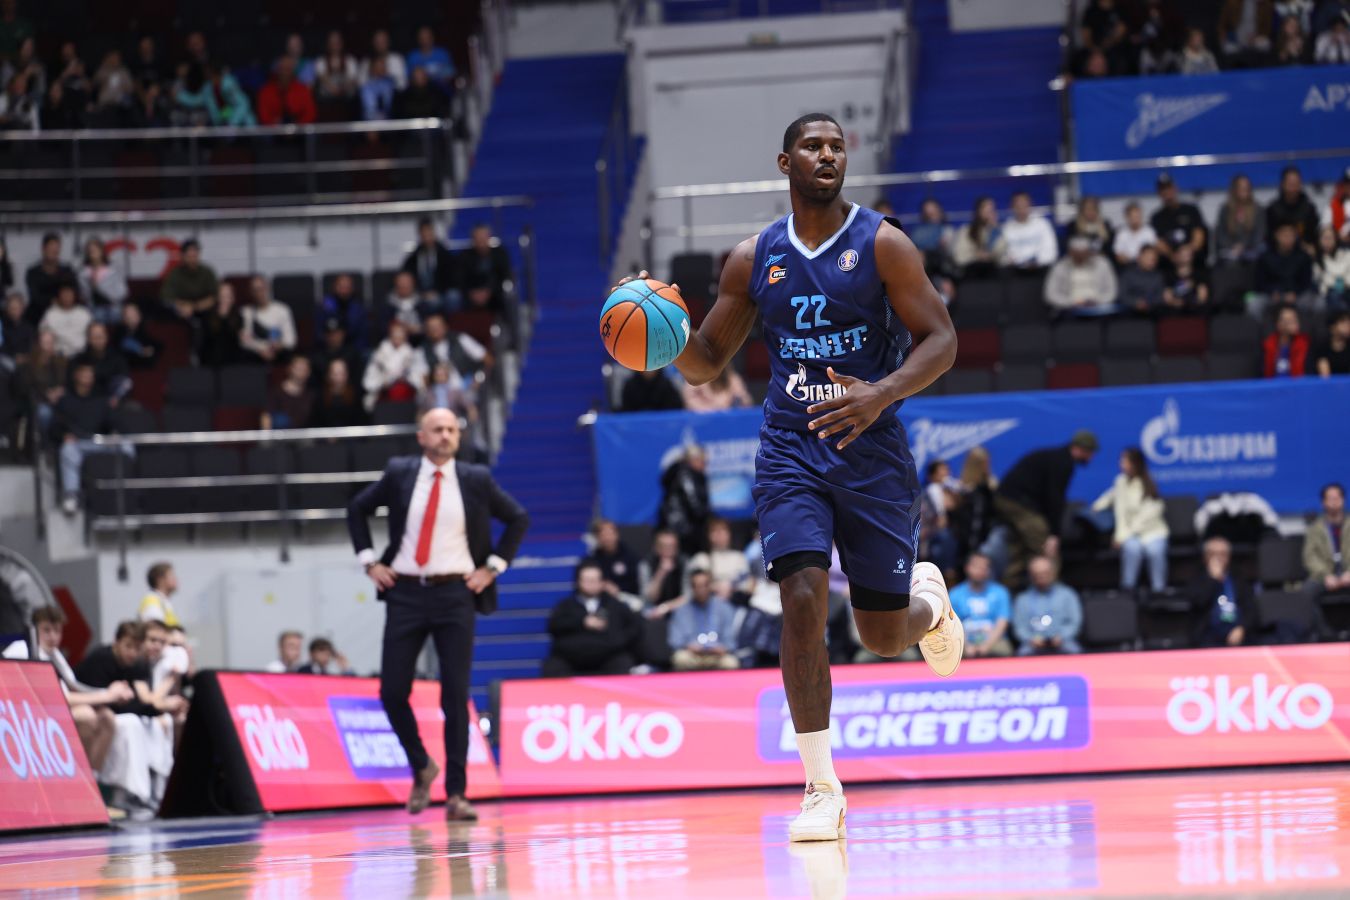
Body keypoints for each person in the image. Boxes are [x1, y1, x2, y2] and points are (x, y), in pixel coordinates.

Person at [610, 113, 961, 842]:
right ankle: (821, 788)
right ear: (785, 162)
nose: (827, 155)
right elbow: (707, 363)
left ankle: (930, 606)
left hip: (869, 449)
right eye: (813, 146)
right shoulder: (753, 259)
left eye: (837, 146)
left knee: (882, 636)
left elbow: (943, 340)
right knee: (800, 598)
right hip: (789, 451)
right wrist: (665, 329)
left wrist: (881, 392)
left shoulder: (883, 244)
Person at [347, 408, 528, 819]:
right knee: (392, 692)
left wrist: (493, 567)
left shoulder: (475, 479)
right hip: (405, 591)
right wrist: (369, 562)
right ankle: (422, 765)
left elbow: (518, 518)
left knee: (454, 695)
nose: (445, 435)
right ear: (421, 437)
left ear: (459, 437)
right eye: (437, 429)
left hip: (455, 593)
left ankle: (457, 794)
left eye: (451, 429)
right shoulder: (400, 473)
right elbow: (356, 509)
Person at [1, 606, 134, 784]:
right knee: (86, 716)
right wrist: (109, 695)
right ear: (33, 629)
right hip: (24, 717)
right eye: (46, 630)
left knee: (107, 717)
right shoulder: (20, 650)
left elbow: (73, 687)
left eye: (57, 630)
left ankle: (93, 779)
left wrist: (111, 692)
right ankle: (76, 780)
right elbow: (63, 698)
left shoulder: (55, 655)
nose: (53, 636)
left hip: (48, 711)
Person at [995, 431, 1099, 584]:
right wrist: (1054, 534)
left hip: (1011, 500)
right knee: (1046, 546)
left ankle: (1008, 586)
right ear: (1079, 449)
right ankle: (1052, 590)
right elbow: (1054, 499)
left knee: (1021, 547)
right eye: (1090, 453)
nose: (1091, 458)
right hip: (1014, 502)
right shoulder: (1063, 463)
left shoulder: (1056, 458)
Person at [541, 560, 644, 677]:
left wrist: (617, 641)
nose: (591, 584)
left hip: (607, 657)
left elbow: (634, 626)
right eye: (587, 580)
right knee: (552, 667)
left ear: (602, 582)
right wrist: (582, 622)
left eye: (595, 580)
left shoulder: (614, 605)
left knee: (623, 663)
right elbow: (553, 626)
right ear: (578, 581)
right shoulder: (566, 606)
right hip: (571, 658)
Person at [53, 362, 131, 514]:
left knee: (127, 445)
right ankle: (71, 496)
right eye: (84, 374)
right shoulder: (65, 400)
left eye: (90, 374)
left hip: (100, 441)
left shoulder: (101, 400)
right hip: (78, 443)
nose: (87, 377)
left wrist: (116, 432)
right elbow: (54, 427)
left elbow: (115, 422)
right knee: (67, 450)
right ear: (76, 376)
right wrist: (64, 435)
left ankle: (128, 489)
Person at [1092, 447, 1169, 592]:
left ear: (1135, 463)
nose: (1121, 463)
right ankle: (1128, 590)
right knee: (1132, 549)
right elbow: (1111, 496)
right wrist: (1096, 507)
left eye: (1124, 461)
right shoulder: (1120, 481)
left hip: (1153, 532)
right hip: (1130, 535)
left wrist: (1123, 535)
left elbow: (1150, 514)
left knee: (1155, 551)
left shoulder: (1149, 483)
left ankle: (1159, 591)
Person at [667, 569, 740, 671]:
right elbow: (675, 641)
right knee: (680, 659)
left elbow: (731, 640)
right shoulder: (682, 610)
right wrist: (688, 646)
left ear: (710, 586)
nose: (701, 589)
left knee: (731, 662)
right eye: (697, 586)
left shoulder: (724, 608)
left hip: (717, 656)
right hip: (692, 655)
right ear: (692, 587)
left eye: (704, 585)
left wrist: (722, 648)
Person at [1189, 537, 1254, 647]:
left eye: (1222, 554)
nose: (1218, 558)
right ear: (1205, 557)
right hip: (1207, 637)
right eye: (1213, 554)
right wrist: (1213, 579)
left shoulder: (1238, 579)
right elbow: (1198, 602)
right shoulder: (1197, 578)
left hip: (1236, 635)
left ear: (1229, 557)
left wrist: (1242, 628)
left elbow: (1251, 609)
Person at [1011, 556, 1083, 655]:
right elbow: (1019, 627)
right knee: (1023, 653)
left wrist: (1062, 636)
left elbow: (1074, 623)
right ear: (1031, 575)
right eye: (1037, 574)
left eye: (1045, 573)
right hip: (1033, 643)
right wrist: (1030, 638)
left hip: (1063, 641)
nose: (1041, 577)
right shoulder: (1022, 599)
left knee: (1074, 651)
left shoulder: (1067, 595)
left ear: (1052, 573)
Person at [949, 553, 1013, 657]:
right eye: (977, 566)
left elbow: (1002, 622)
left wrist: (986, 646)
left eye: (985, 567)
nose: (981, 570)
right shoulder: (955, 594)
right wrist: (965, 645)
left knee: (1004, 649)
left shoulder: (1000, 592)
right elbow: (952, 625)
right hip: (962, 641)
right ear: (967, 568)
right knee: (951, 652)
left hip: (995, 640)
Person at [1044, 236, 1119, 316]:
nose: (1080, 257)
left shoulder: (1103, 264)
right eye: (1076, 254)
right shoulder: (1059, 266)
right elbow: (1050, 294)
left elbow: (1112, 290)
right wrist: (1071, 302)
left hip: (1098, 305)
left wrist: (1099, 301)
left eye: (1083, 253)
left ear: (1089, 252)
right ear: (1070, 253)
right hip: (1069, 308)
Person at [657, 444, 711, 555]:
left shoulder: (690, 475)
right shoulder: (686, 476)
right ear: (692, 460)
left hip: (681, 528)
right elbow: (695, 505)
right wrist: (707, 518)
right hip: (683, 529)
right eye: (702, 461)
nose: (704, 465)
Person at [1302, 483, 1350, 606]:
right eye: (1330, 499)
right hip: (1324, 575)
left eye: (1337, 498)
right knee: (1306, 592)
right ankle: (1318, 621)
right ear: (1323, 502)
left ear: (1343, 500)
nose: (1334, 502)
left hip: (1348, 573)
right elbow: (1310, 557)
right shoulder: (1314, 528)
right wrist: (1325, 575)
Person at [1254, 223, 1315, 317]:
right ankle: (1260, 326)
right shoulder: (1265, 257)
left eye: (1291, 235)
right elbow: (1259, 282)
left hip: (1297, 295)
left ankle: (1303, 325)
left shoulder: (1303, 256)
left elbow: (1307, 282)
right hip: (1271, 295)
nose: (1288, 239)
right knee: (1254, 304)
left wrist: (1295, 292)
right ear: (1277, 235)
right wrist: (1272, 291)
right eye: (1285, 235)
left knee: (1314, 302)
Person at [1151, 173, 1208, 266]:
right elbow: (1158, 242)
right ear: (1159, 193)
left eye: (1169, 188)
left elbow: (1199, 236)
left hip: (1194, 262)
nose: (1167, 192)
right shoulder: (1156, 218)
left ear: (1175, 188)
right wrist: (1173, 256)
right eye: (1163, 189)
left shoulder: (1191, 210)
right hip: (1169, 265)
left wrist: (1188, 251)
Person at [457, 223, 514, 315]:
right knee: (455, 297)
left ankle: (506, 323)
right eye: (478, 238)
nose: (481, 241)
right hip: (471, 294)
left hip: (494, 292)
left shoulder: (500, 254)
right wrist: (471, 293)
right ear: (473, 239)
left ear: (489, 237)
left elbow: (506, 275)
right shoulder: (464, 256)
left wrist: (489, 291)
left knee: (508, 295)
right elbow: (460, 279)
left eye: (483, 237)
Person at [238, 275, 296, 365]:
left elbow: (291, 340)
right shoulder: (246, 312)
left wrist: (278, 346)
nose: (259, 293)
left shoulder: (282, 310)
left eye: (262, 289)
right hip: (255, 356)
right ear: (251, 293)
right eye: (255, 290)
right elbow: (245, 341)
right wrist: (260, 350)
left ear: (268, 288)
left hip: (279, 354)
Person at [689, 517, 752, 598]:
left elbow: (747, 583)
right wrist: (717, 588)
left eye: (723, 530)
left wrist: (730, 587)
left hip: (737, 599)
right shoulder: (701, 558)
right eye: (714, 531)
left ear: (729, 534)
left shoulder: (739, 557)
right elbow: (696, 586)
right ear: (708, 536)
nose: (719, 534)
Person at [401, 219, 458, 309]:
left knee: (453, 296)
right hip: (420, 293)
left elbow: (451, 278)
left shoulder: (444, 254)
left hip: (441, 291)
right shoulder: (414, 257)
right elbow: (407, 276)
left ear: (434, 233)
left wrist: (437, 292)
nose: (427, 237)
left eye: (429, 233)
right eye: (424, 234)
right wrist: (421, 293)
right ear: (420, 235)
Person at [363, 320, 417, 412]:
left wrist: (405, 379)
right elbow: (369, 379)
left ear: (405, 336)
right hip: (382, 395)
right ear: (390, 335)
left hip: (405, 397)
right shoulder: (380, 352)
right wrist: (382, 382)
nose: (398, 336)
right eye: (395, 333)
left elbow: (416, 378)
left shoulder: (411, 353)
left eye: (400, 334)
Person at [159, 239, 219, 323]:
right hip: (180, 311)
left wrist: (194, 307)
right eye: (189, 257)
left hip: (204, 311)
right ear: (183, 256)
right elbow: (166, 297)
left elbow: (215, 296)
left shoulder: (207, 272)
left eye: (194, 256)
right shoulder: (175, 273)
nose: (192, 260)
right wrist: (183, 306)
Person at [1266, 167, 1321, 253]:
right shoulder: (1273, 209)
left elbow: (1315, 235)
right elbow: (1268, 237)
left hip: (1304, 252)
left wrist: (1311, 247)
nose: (1293, 189)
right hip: (1278, 253)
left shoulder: (1309, 209)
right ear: (1283, 184)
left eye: (1296, 184)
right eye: (1290, 184)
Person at [70, 321, 130, 401]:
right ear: (88, 339)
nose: (98, 340)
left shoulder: (118, 359)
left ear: (107, 337)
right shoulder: (78, 360)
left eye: (101, 336)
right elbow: (71, 385)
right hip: (84, 401)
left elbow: (124, 382)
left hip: (110, 402)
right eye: (94, 337)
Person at [1001, 191, 1058, 272]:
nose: (1021, 209)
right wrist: (1019, 263)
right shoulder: (1006, 229)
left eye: (1024, 205)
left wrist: (1036, 262)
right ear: (1012, 207)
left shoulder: (1042, 224)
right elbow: (1004, 256)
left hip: (1041, 269)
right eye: (1018, 206)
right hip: (1016, 271)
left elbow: (1051, 251)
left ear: (1030, 205)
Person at [951, 196, 1007, 279]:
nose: (990, 214)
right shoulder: (966, 231)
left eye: (992, 211)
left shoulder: (997, 231)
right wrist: (976, 256)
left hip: (993, 274)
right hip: (971, 275)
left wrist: (994, 231)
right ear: (978, 212)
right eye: (987, 211)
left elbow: (1002, 253)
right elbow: (959, 256)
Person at [78, 237, 129, 325]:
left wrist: (100, 288)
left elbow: (123, 292)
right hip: (94, 308)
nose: (93, 253)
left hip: (114, 306)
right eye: (90, 251)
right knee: (96, 316)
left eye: (95, 250)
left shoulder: (114, 268)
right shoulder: (83, 273)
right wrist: (91, 287)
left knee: (119, 315)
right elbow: (85, 296)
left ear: (101, 251)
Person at [317, 273, 370, 352]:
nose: (344, 291)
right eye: (341, 287)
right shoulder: (324, 307)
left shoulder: (359, 309)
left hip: (352, 350)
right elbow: (318, 333)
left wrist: (351, 352)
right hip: (327, 350)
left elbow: (362, 336)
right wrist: (331, 340)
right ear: (334, 287)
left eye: (347, 287)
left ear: (352, 289)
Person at [257, 55, 316, 125]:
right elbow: (264, 117)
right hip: (273, 129)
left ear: (292, 71)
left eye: (288, 69)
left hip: (299, 128)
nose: (284, 73)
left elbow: (310, 113)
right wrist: (275, 124)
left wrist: (298, 125)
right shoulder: (266, 91)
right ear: (277, 70)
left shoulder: (302, 90)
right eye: (282, 69)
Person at [311, 358, 367, 427]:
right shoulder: (320, 397)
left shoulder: (356, 395)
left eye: (341, 373)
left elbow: (361, 421)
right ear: (328, 375)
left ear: (347, 374)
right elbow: (316, 423)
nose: (338, 378)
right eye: (335, 374)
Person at [197, 281, 242, 367]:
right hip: (211, 363)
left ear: (233, 299)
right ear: (217, 298)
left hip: (234, 363)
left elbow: (236, 342)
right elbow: (207, 343)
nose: (224, 300)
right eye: (222, 296)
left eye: (228, 296)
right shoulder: (207, 317)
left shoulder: (239, 317)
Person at [638, 528, 688, 608]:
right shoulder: (646, 564)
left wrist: (666, 607)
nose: (669, 551)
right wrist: (661, 573)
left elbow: (687, 597)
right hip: (653, 608)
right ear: (656, 548)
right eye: (665, 546)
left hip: (679, 608)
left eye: (672, 546)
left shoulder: (684, 563)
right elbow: (648, 598)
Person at [40, 282, 91, 357]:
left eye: (69, 294)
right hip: (58, 356)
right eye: (64, 294)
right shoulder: (50, 314)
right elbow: (43, 336)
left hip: (82, 355)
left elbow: (91, 335)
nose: (67, 297)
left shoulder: (84, 313)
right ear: (59, 296)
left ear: (74, 296)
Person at [263, 355, 314, 429]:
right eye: (298, 368)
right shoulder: (276, 391)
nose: (301, 372)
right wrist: (267, 435)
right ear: (289, 369)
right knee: (280, 420)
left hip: (304, 434)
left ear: (309, 372)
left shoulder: (312, 395)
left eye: (304, 369)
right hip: (280, 434)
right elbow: (266, 415)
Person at [591, 518, 640, 596]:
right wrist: (603, 585)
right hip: (601, 597)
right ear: (597, 538)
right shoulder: (593, 559)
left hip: (627, 596)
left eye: (610, 534)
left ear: (617, 534)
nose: (607, 538)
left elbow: (637, 583)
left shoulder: (630, 556)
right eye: (603, 535)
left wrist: (618, 589)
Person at [1262, 305, 1311, 377]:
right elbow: (1267, 373)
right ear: (1278, 324)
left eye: (1294, 319)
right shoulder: (1269, 344)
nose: (1293, 323)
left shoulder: (1304, 342)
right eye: (1288, 320)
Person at [312, 30, 359, 102]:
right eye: (332, 43)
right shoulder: (321, 60)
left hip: (346, 93)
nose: (335, 45)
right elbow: (322, 78)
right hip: (327, 94)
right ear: (328, 45)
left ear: (341, 44)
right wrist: (333, 89)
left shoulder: (350, 59)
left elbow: (352, 79)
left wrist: (343, 89)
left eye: (337, 42)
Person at [1120, 245, 1168, 315]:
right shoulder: (1128, 274)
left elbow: (1160, 296)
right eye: (1148, 258)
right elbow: (1122, 295)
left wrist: (1148, 303)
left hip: (1152, 314)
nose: (1151, 261)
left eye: (1154, 259)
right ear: (1139, 257)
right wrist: (1135, 302)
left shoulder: (1158, 276)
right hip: (1128, 314)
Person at [406, 26, 455, 92]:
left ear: (432, 38)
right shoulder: (413, 57)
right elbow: (409, 79)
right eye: (422, 38)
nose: (425, 41)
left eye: (427, 38)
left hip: (442, 91)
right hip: (421, 92)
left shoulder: (442, 54)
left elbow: (451, 74)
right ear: (418, 40)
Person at [682, 366, 752, 411]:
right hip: (702, 423)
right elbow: (690, 401)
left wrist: (737, 403)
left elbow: (746, 401)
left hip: (729, 422)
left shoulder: (732, 378)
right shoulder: (696, 378)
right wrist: (713, 410)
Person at [114, 303, 160, 371]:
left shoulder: (147, 331)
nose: (131, 317)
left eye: (133, 314)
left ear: (139, 316)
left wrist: (146, 352)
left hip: (143, 368)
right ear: (123, 318)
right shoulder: (118, 332)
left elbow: (153, 350)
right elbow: (117, 353)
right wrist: (139, 351)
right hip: (124, 368)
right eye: (127, 315)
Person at [1314, 227, 1350, 313]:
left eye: (1330, 238)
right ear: (1319, 240)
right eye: (1325, 238)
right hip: (1327, 293)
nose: (1327, 241)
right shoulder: (1317, 259)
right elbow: (1318, 281)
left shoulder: (1347, 254)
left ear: (1336, 239)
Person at [1112, 202, 1157, 268]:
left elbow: (1152, 253)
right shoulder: (1121, 233)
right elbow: (1118, 256)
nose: (1136, 219)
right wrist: (1135, 259)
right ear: (1127, 217)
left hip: (1147, 266)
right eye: (1133, 217)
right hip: (1128, 266)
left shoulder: (1149, 231)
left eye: (1138, 216)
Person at [138, 562, 181, 628]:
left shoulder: (162, 601)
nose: (176, 579)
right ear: (160, 580)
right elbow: (156, 630)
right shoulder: (152, 601)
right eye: (172, 576)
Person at [1315, 311, 1350, 377]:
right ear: (1332, 327)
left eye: (1348, 323)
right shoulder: (1323, 347)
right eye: (1343, 323)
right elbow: (1325, 376)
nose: (1348, 326)